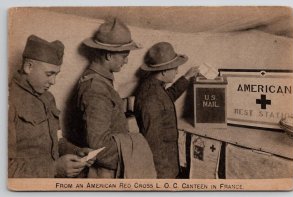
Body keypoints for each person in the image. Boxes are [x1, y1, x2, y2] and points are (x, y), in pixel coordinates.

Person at [8, 35, 94, 178]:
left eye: (56, 74)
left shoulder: (48, 98)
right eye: (49, 74)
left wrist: (76, 151)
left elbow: (57, 140)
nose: (53, 81)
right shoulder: (8, 100)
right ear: (28, 67)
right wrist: (53, 169)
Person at [70, 18, 141, 178]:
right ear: (109, 55)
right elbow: (99, 147)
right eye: (124, 56)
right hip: (104, 174)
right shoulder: (95, 88)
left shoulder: (100, 80)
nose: (126, 61)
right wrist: (132, 156)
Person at [134, 42, 199, 179]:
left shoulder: (154, 87)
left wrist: (186, 78)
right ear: (164, 71)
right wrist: (164, 177)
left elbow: (166, 98)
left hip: (168, 164)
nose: (177, 72)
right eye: (175, 68)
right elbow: (153, 142)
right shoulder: (151, 97)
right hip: (162, 170)